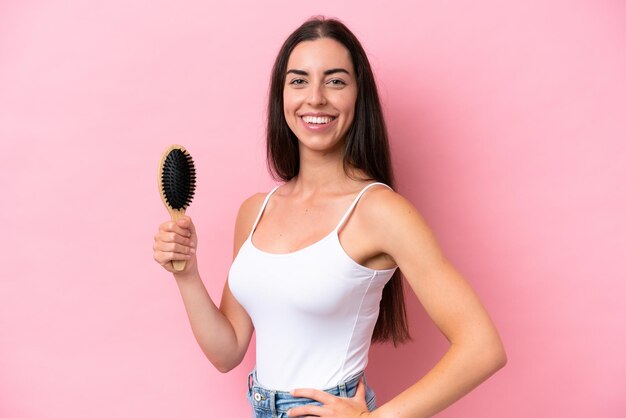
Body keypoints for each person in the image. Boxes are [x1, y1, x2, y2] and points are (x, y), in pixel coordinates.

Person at [153, 17, 506, 418]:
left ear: (359, 96)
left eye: (335, 81)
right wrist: (186, 273)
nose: (315, 98)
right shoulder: (255, 211)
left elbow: (482, 347)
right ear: (280, 96)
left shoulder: (380, 211)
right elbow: (228, 351)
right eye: (299, 81)